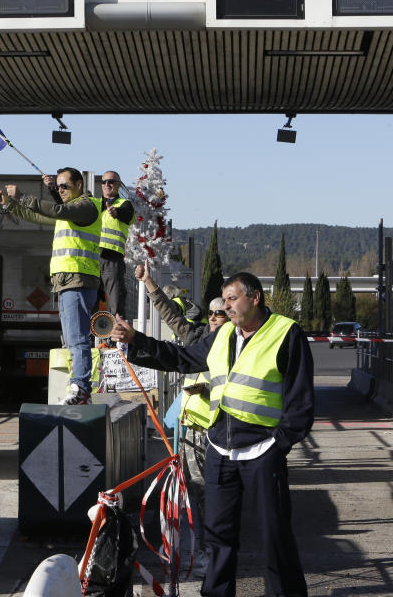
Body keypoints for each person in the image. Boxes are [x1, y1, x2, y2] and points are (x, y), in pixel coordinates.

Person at [110, 272, 312, 597]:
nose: (226, 307)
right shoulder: (222, 336)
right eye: (224, 301)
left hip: (263, 451)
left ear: (255, 297)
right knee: (219, 536)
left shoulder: (286, 333)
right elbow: (181, 357)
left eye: (232, 299)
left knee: (275, 536)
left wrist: (279, 445)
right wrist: (137, 341)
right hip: (221, 450)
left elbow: (300, 402)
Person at [135, 259, 228, 577]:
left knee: (207, 496)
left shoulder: (236, 345)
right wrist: (150, 286)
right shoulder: (200, 338)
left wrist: (209, 392)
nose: (216, 318)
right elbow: (172, 318)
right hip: (191, 430)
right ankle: (200, 550)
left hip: (218, 431)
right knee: (191, 492)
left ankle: (213, 553)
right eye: (213, 313)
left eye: (222, 313)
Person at [0, 167, 101, 405]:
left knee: (77, 338)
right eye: (58, 186)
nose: (60, 190)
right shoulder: (69, 214)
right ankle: (80, 386)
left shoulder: (86, 207)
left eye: (65, 186)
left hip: (78, 280)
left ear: (80, 185)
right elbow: (39, 216)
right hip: (66, 282)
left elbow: (54, 209)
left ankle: (81, 387)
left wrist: (22, 197)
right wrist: (9, 205)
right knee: (73, 339)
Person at [97, 171, 135, 318]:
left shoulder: (125, 205)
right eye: (104, 181)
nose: (107, 184)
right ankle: (89, 339)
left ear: (118, 185)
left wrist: (115, 212)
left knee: (116, 302)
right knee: (90, 302)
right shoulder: (94, 204)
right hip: (92, 259)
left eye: (111, 181)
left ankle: (117, 339)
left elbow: (126, 213)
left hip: (112, 259)